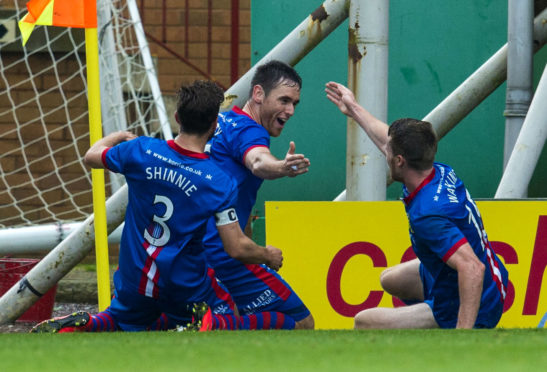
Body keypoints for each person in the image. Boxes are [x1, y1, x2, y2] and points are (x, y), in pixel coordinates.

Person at [31, 80, 294, 333]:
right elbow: (236, 247)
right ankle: (214, 324)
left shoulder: (141, 151)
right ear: (215, 125)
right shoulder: (218, 181)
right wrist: (267, 255)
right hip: (184, 288)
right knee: (234, 317)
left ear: (178, 117)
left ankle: (93, 322)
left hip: (135, 282)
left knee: (120, 321)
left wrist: (116, 137)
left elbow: (91, 156)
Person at [325, 81, 508, 329]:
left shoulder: (428, 213)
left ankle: (441, 331)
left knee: (364, 322)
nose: (384, 152)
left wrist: (464, 338)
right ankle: (426, 325)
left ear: (399, 161)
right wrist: (353, 108)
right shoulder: (437, 171)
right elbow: (386, 140)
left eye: (389, 152)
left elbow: (472, 268)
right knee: (390, 279)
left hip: (475, 301)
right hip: (493, 277)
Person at [202, 60, 314, 329]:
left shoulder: (224, 120)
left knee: (240, 316)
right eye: (284, 100)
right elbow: (258, 161)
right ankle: (217, 326)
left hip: (195, 248)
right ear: (258, 94)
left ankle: (215, 324)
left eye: (295, 104)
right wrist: (282, 167)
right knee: (302, 324)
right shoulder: (250, 130)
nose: (290, 110)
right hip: (222, 253)